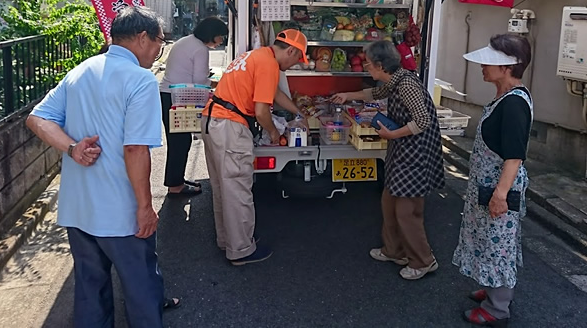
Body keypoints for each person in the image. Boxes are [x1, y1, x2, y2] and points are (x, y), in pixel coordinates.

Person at [26, 6, 176, 328]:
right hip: (121, 212)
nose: (158, 50)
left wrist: (71, 148)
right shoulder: (140, 80)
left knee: (90, 290)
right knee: (141, 288)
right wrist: (146, 207)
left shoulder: (80, 71)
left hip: (79, 208)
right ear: (141, 37)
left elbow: (37, 118)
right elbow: (135, 148)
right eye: (159, 41)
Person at [332, 40, 444, 280]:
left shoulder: (407, 85)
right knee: (389, 200)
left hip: (416, 153)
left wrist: (392, 134)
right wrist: (346, 95)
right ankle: (394, 250)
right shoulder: (394, 81)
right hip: (402, 150)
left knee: (407, 210)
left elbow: (422, 121)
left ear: (381, 65)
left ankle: (424, 260)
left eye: (369, 64)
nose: (366, 68)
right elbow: (374, 93)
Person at [201, 29, 308, 266]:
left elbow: (275, 93)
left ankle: (229, 239)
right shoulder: (269, 64)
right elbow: (261, 112)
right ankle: (241, 250)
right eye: (298, 59)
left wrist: (297, 112)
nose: (295, 64)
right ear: (290, 50)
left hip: (213, 121)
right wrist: (273, 131)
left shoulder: (256, 56)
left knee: (223, 188)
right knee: (238, 188)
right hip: (230, 126)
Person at [452, 34, 533, 327]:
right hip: (488, 186)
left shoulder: (513, 104)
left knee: (498, 247)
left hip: (498, 188)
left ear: (508, 67)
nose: (483, 66)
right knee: (487, 241)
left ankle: (497, 308)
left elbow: (514, 157)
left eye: (490, 62)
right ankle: (492, 286)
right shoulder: (504, 96)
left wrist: (500, 194)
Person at [159, 17, 228, 197]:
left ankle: (177, 180)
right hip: (177, 98)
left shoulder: (187, 41)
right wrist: (216, 85)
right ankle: (175, 185)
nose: (222, 41)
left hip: (169, 95)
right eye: (221, 36)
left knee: (179, 141)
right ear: (212, 35)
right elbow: (199, 80)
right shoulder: (200, 49)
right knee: (179, 143)